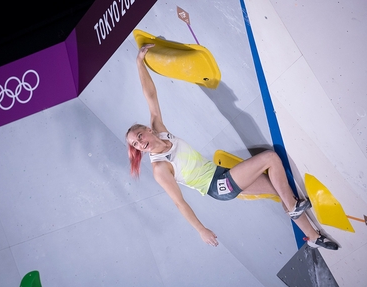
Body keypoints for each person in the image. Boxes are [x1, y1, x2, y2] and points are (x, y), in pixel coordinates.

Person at [125, 44, 338, 250]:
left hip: (221, 173)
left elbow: (150, 96)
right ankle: (293, 207)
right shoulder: (160, 168)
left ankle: (313, 237)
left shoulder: (160, 129)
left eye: (139, 136)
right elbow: (179, 203)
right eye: (135, 144)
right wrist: (201, 229)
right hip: (218, 185)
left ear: (148, 130)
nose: (140, 143)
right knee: (270, 159)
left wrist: (139, 63)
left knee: (282, 190)